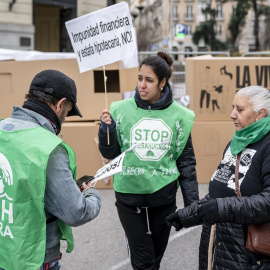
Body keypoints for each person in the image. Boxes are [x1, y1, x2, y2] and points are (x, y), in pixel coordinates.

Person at [98, 52, 199, 270]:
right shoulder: (118, 109)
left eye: (149, 80)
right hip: (128, 200)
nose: (142, 85)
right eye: (139, 78)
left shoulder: (180, 115)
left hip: (163, 200)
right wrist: (107, 130)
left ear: (163, 82)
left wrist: (192, 206)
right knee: (144, 262)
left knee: (154, 259)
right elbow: (110, 153)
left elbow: (186, 163)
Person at [0, 69, 101, 270]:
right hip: (33, 257)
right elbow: (75, 212)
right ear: (60, 104)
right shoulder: (49, 148)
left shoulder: (3, 129)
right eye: (68, 110)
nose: (64, 119)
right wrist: (91, 194)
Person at [166, 85, 270, 269]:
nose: (232, 114)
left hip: (249, 253)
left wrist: (220, 208)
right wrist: (186, 216)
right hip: (220, 243)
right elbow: (220, 191)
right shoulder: (237, 141)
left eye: (240, 109)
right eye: (233, 107)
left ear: (261, 114)